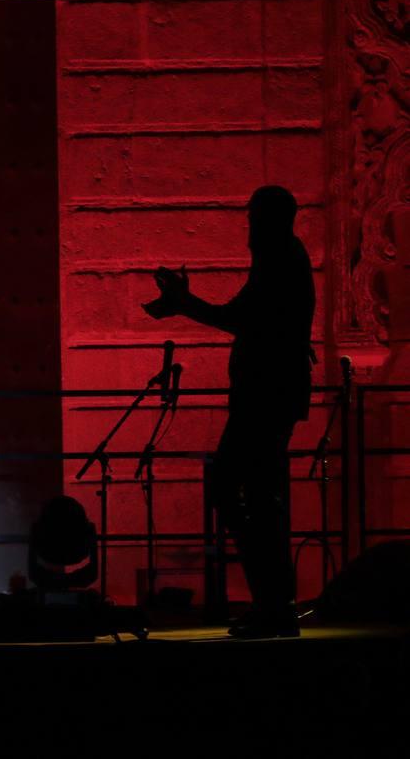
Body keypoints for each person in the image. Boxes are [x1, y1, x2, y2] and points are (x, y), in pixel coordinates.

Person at [144, 186, 315, 638]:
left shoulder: (279, 261)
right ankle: (274, 602)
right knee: (257, 497)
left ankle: (273, 601)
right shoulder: (282, 260)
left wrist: (183, 304)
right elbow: (241, 316)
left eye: (253, 221)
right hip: (270, 396)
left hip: (266, 397)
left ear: (268, 222)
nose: (248, 233)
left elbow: (239, 319)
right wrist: (186, 304)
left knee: (234, 488)